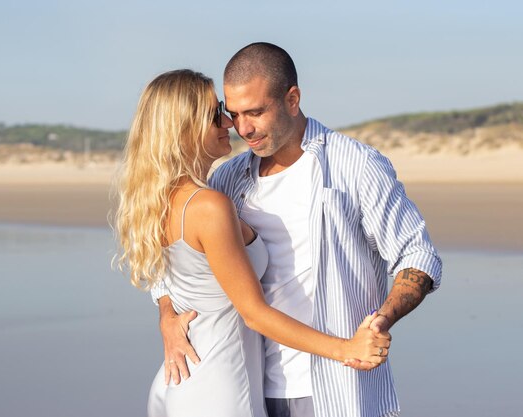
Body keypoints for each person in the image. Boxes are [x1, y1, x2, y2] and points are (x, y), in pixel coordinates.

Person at [153, 43, 443, 417]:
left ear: (292, 99)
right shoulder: (227, 179)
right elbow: (173, 258)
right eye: (234, 113)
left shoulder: (354, 166)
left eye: (256, 112)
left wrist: (380, 321)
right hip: (248, 386)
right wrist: (166, 315)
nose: (243, 128)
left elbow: (416, 255)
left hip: (336, 383)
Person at [115, 69, 392, 417]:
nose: (229, 124)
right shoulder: (209, 206)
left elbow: (168, 277)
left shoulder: (161, 201)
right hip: (220, 390)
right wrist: (346, 350)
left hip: (181, 382)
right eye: (215, 114)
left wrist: (166, 314)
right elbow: (254, 315)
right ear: (183, 128)